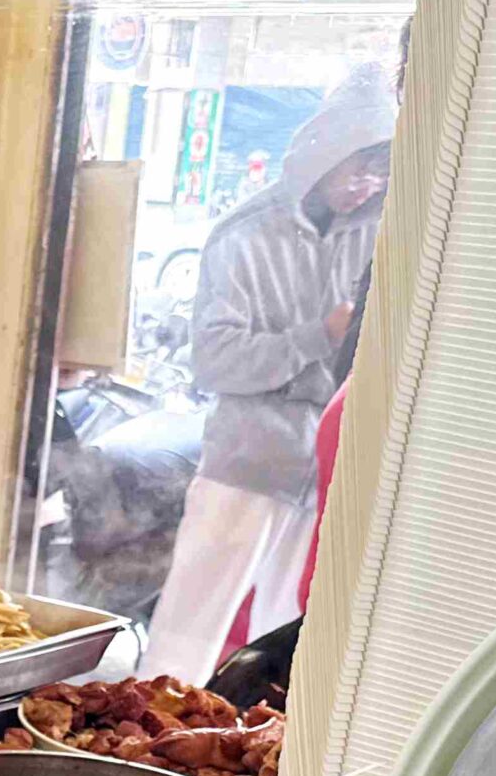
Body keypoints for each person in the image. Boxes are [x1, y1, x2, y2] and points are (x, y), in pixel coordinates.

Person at [140, 64, 393, 685]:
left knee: (280, 637)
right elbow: (215, 361)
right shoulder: (246, 235)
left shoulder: (380, 233)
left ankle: (233, 750)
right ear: (322, 156)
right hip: (246, 463)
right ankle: (136, 744)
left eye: (379, 169)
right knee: (186, 631)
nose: (366, 184)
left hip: (320, 470)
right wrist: (319, 336)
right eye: (356, 166)